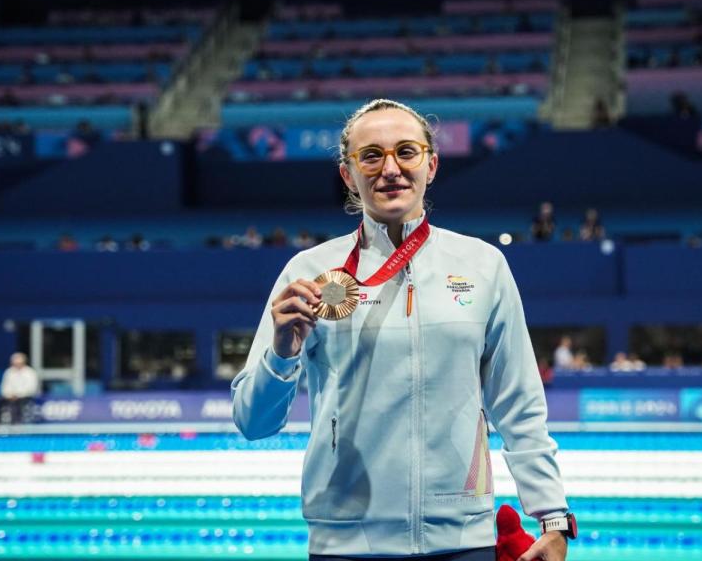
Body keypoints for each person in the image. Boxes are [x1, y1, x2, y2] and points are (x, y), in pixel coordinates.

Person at [231, 99, 572, 561]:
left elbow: (519, 402)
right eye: (371, 156)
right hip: (346, 543)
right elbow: (253, 423)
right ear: (348, 175)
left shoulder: (482, 265)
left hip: (461, 541)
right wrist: (282, 354)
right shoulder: (309, 272)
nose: (390, 168)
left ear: (431, 165)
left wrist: (552, 519)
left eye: (406, 152)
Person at [0, 352, 41, 424]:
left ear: (23, 362)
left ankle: (19, 422)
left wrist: (18, 395)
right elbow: (5, 386)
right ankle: (7, 422)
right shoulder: (9, 372)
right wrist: (9, 395)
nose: (17, 365)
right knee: (1, 402)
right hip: (10, 397)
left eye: (19, 363)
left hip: (25, 396)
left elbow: (31, 388)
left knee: (19, 404)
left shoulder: (30, 372)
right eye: (15, 364)